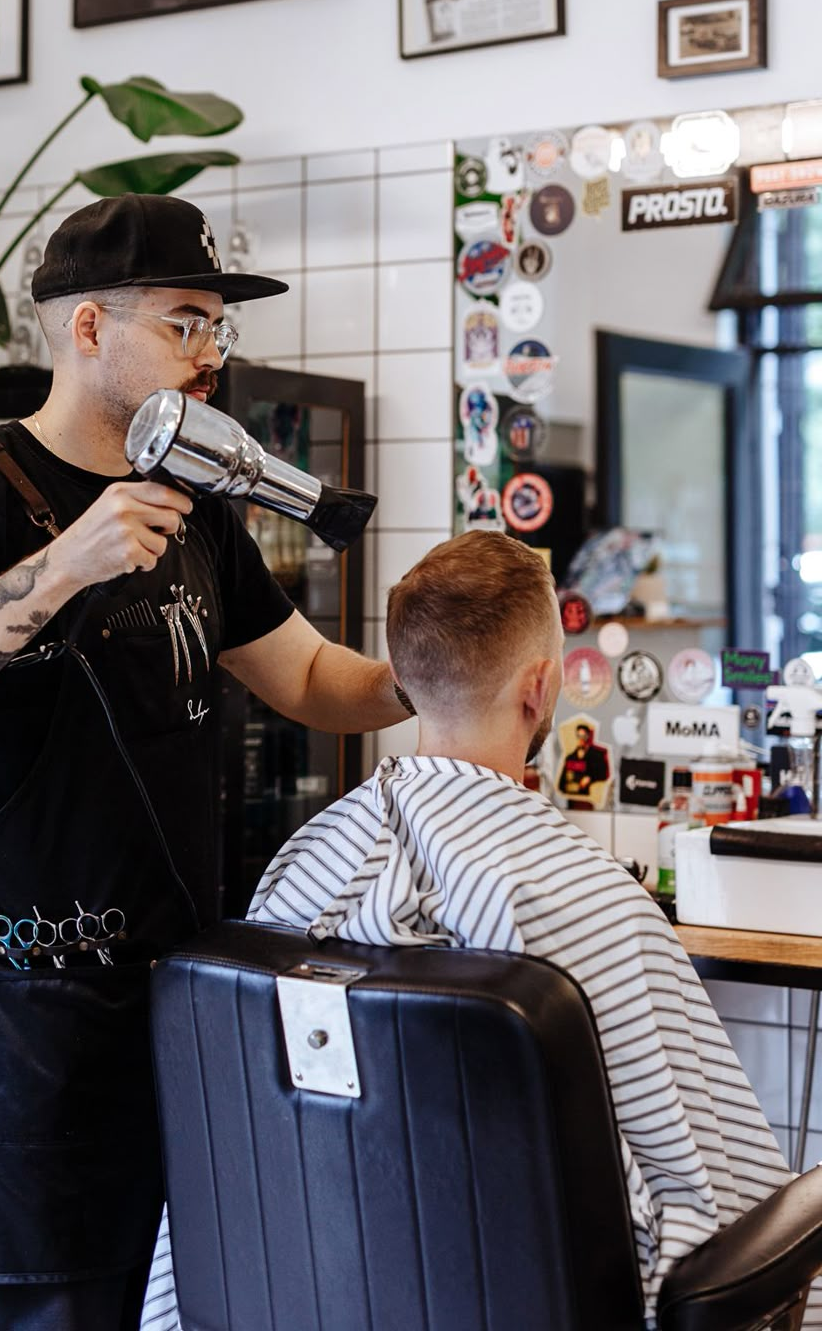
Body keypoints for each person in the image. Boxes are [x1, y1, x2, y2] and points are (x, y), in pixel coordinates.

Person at [0, 192, 407, 1331]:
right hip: (21, 1036)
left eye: (218, 327)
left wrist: (451, 673)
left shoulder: (198, 508)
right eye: (186, 322)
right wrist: (62, 568)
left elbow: (308, 678)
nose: (210, 354)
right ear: (89, 327)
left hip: (171, 1010)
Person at [141, 531, 820, 1331]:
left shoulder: (305, 867)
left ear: (403, 682)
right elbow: (711, 1197)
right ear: (541, 688)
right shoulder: (585, 898)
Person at [557, 712, 610, 806]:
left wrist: (590, 778)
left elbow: (604, 774)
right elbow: (561, 783)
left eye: (584, 736)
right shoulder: (570, 757)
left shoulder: (597, 755)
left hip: (589, 801)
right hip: (570, 801)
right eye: (579, 736)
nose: (581, 739)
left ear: (588, 736)